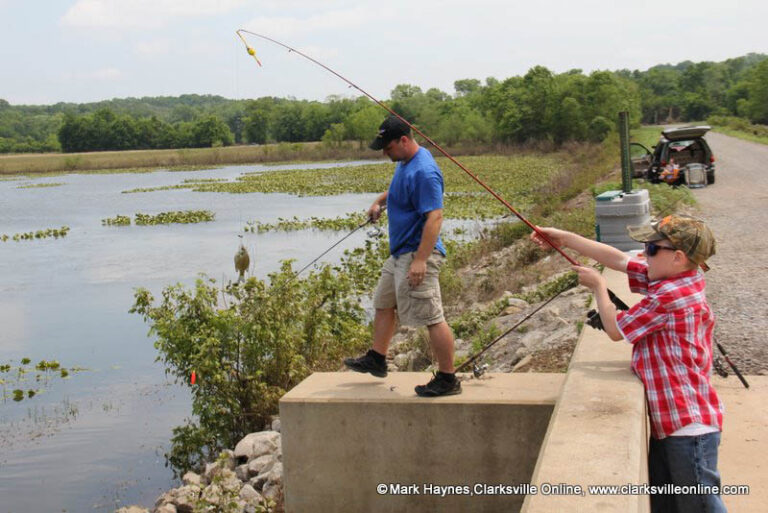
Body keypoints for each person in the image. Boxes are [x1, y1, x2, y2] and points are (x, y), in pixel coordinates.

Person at [530, 215, 726, 513]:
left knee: (701, 506)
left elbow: (613, 329)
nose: (643, 254)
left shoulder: (670, 296)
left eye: (650, 249)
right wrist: (564, 237)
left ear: (677, 257)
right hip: (673, 423)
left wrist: (598, 286)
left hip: (688, 429)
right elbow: (620, 260)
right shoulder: (684, 276)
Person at [344, 116, 460, 397]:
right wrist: (378, 202)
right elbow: (397, 190)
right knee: (383, 302)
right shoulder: (405, 162)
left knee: (432, 316)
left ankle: (448, 378)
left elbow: (435, 217)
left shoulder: (425, 172)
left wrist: (420, 260)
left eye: (387, 147)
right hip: (399, 254)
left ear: (404, 141)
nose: (385, 153)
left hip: (418, 254)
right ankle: (377, 358)